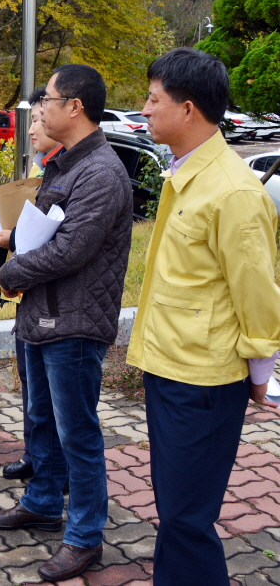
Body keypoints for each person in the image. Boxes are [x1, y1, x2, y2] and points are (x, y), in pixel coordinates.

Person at [127, 48, 280, 585]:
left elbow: (259, 294)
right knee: (176, 510)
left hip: (205, 381)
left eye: (153, 99)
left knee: (188, 518)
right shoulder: (186, 171)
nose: (143, 109)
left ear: (187, 109)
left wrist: (261, 376)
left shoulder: (235, 191)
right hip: (171, 366)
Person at [0, 65, 133, 582]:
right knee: (41, 421)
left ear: (75, 106)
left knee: (78, 434)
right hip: (40, 315)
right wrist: (13, 245)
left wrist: (11, 268)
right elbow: (43, 231)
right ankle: (43, 501)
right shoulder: (64, 164)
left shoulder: (102, 173)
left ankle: (85, 535)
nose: (38, 107)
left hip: (74, 323)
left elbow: (70, 249)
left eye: (45, 98)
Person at [0, 86, 63, 482]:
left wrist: (13, 240)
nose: (34, 127)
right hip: (28, 291)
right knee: (30, 385)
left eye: (40, 118)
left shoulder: (73, 172)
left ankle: (52, 467)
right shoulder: (39, 166)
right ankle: (35, 456)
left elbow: (59, 244)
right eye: (32, 119)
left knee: (52, 398)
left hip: (50, 298)